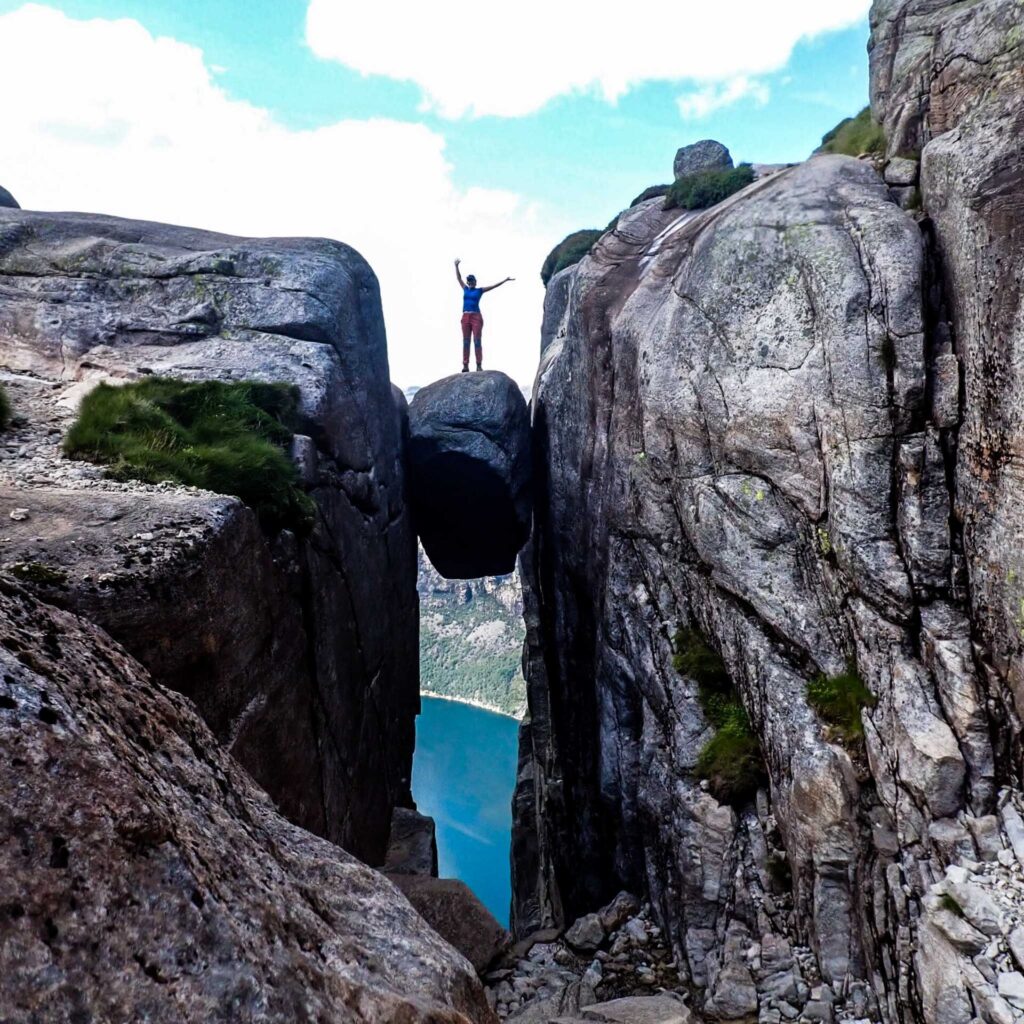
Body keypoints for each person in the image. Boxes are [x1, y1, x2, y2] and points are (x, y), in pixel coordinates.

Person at [454, 258, 514, 372]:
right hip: (465, 317)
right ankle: (465, 365)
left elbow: (494, 286)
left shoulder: (479, 290)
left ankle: (479, 365)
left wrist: (505, 280)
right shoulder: (465, 289)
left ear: (475, 282)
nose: (470, 282)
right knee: (466, 341)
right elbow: (458, 278)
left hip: (476, 317)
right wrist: (456, 266)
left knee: (477, 341)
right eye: (469, 281)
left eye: (472, 281)